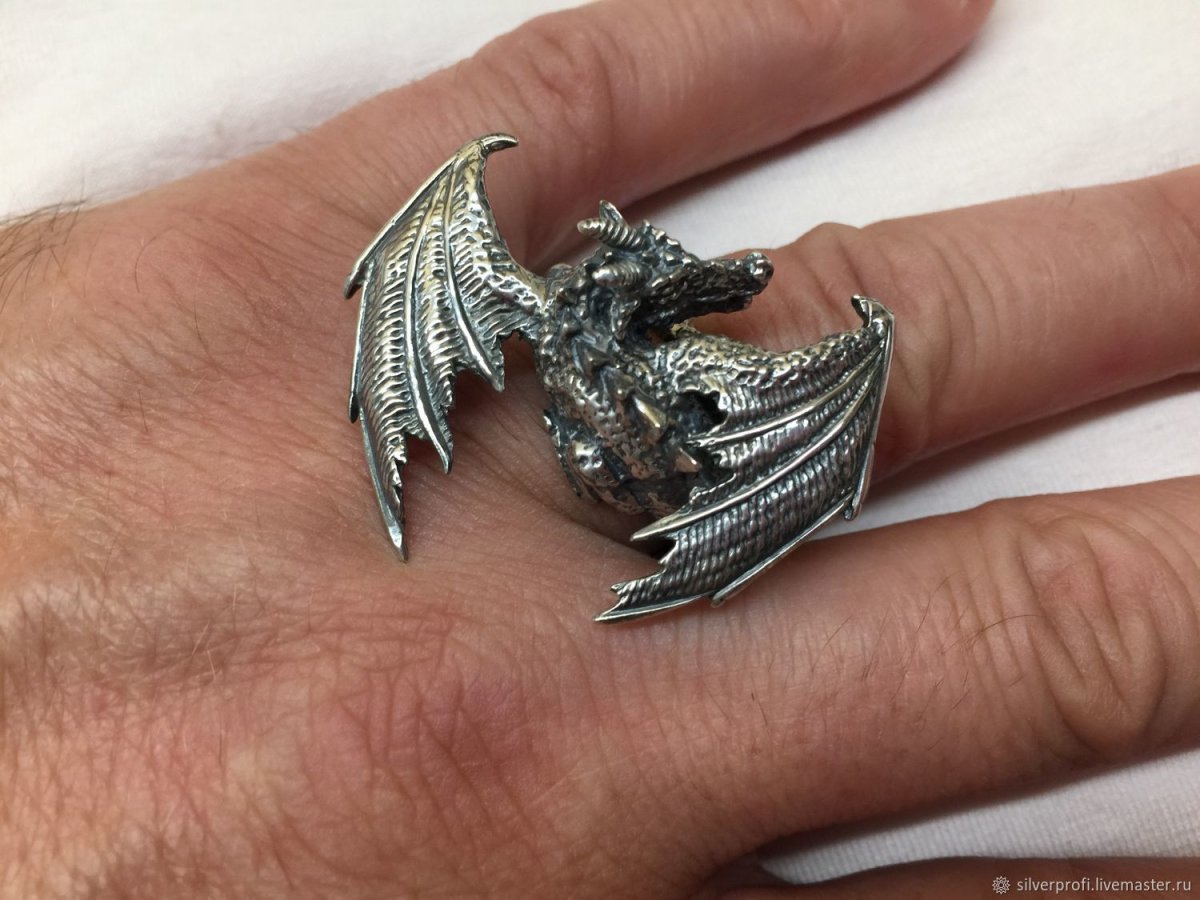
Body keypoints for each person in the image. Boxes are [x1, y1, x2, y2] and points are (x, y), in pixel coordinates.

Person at [2, 0, 1198, 895]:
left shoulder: (693, 357)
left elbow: (716, 298)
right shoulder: (516, 289)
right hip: (621, 443)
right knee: (1075, 629)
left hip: (669, 442)